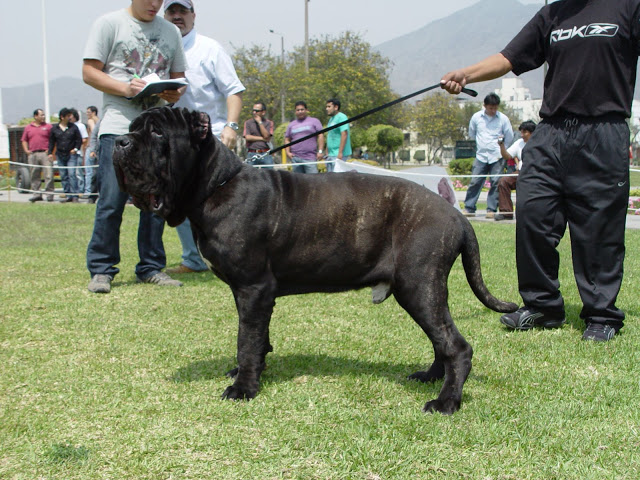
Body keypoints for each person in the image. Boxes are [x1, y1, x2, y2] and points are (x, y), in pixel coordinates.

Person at [440, 0, 637, 342]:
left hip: (603, 131)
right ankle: (543, 306)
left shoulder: (627, 6)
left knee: (598, 227)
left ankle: (601, 314)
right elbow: (509, 58)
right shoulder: (554, 13)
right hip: (551, 132)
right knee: (533, 214)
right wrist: (466, 74)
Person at [83, 0, 188, 294]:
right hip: (117, 126)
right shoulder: (109, 24)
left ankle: (151, 267)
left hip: (156, 129)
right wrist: (125, 88)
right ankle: (102, 269)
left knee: (155, 203)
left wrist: (173, 91)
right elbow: (89, 72)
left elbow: (179, 79)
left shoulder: (170, 31)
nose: (155, 4)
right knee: (111, 201)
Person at [163, 0, 246, 275]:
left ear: (193, 16)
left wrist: (231, 127)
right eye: (172, 11)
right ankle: (193, 258)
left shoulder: (210, 49)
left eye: (182, 12)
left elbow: (233, 90)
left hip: (209, 141)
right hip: (173, 141)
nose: (177, 17)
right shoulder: (159, 50)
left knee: (220, 201)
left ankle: (227, 253)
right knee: (178, 200)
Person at [462, 93, 513, 218]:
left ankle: (491, 209)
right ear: (484, 106)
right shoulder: (476, 117)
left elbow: (509, 136)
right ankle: (469, 208)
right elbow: (472, 133)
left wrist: (502, 150)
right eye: (490, 108)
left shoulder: (503, 119)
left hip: (497, 156)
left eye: (495, 108)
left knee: (496, 182)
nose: (493, 110)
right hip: (481, 156)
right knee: (475, 181)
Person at [495, 120, 536, 221]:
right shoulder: (519, 143)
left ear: (532, 132)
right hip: (521, 173)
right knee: (503, 181)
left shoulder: (540, 143)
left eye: (524, 132)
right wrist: (502, 146)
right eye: (521, 132)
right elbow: (507, 156)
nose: (522, 135)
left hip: (535, 173)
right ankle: (506, 213)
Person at [48, 107, 82, 203]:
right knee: (63, 175)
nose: (70, 118)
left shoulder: (74, 127)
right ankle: (68, 195)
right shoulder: (55, 128)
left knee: (72, 174)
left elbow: (79, 140)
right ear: (62, 117)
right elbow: (51, 141)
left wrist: (76, 149)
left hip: (71, 155)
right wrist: (50, 153)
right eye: (68, 116)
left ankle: (75, 195)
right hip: (60, 155)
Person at [20, 108, 53, 202]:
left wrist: (50, 150)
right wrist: (26, 150)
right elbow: (24, 140)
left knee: (48, 174)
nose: (43, 116)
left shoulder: (48, 127)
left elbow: (53, 139)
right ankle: (37, 194)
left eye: (43, 115)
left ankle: (50, 194)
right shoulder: (28, 127)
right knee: (34, 174)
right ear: (35, 116)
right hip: (33, 154)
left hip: (45, 153)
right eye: (41, 115)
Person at [284, 101, 325, 174]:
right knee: (297, 182)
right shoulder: (291, 125)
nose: (300, 112)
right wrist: (288, 152)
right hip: (295, 158)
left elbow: (321, 135)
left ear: (306, 110)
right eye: (298, 110)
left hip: (310, 157)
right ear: (295, 111)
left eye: (302, 109)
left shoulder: (314, 121)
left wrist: (320, 151)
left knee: (313, 181)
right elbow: (287, 139)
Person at [325, 98, 352, 172]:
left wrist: (340, 153)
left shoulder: (342, 117)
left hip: (338, 155)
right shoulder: (331, 119)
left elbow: (344, 134)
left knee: (337, 180)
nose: (327, 109)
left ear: (336, 107)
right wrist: (327, 151)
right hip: (331, 154)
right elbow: (330, 135)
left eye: (329, 106)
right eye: (326, 107)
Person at [243, 102, 274, 167]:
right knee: (250, 175)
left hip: (265, 153)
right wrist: (262, 139)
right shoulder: (248, 123)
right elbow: (247, 137)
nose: (254, 113)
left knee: (269, 175)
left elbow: (266, 136)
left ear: (263, 112)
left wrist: (260, 122)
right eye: (253, 110)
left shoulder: (269, 123)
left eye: (257, 111)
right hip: (252, 153)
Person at [69, 108, 89, 195]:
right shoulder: (68, 126)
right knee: (71, 173)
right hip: (68, 153)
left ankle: (81, 189)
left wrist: (75, 144)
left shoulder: (80, 126)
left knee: (79, 173)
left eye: (70, 115)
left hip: (78, 152)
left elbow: (85, 139)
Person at [83, 106, 100, 199]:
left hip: (91, 148)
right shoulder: (100, 120)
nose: (87, 114)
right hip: (98, 147)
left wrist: (92, 148)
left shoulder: (91, 120)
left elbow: (94, 132)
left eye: (88, 112)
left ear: (93, 112)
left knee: (89, 171)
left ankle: (88, 191)